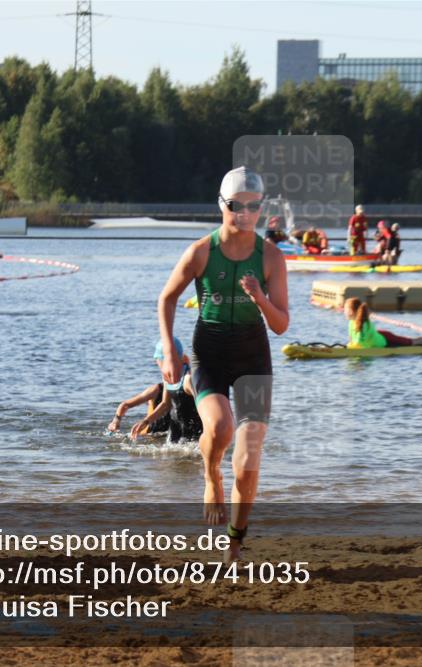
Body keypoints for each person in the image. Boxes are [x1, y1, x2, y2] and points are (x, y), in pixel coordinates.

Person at [156, 166, 289, 563]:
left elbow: (281, 325)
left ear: (261, 209)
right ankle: (211, 474)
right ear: (222, 206)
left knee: (249, 459)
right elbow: (167, 298)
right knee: (219, 426)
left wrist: (259, 299)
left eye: (252, 207)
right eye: (236, 207)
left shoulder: (271, 257)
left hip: (253, 354)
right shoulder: (200, 252)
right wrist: (167, 349)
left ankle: (234, 543)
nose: (244, 215)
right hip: (209, 351)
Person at [128, 338, 203, 443]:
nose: (157, 364)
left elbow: (203, 405)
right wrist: (146, 422)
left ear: (167, 360)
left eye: (158, 361)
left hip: (193, 432)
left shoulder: (187, 379)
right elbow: (165, 404)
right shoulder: (168, 379)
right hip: (175, 429)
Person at [345, 297, 422, 348]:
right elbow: (352, 341)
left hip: (385, 340)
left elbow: (363, 345)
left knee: (413, 342)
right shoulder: (351, 323)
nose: (344, 311)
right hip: (378, 336)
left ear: (351, 311)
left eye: (345, 309)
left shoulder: (364, 324)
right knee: (412, 342)